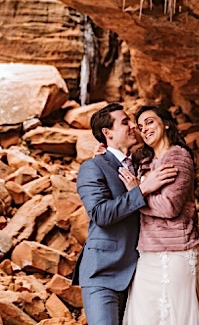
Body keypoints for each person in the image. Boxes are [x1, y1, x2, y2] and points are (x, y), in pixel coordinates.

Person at [76, 103, 178, 325]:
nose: (134, 126)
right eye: (125, 122)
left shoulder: (143, 163)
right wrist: (141, 190)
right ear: (107, 133)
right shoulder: (92, 167)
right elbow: (100, 214)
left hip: (143, 274)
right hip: (104, 272)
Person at [123, 105, 199, 325]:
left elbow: (169, 208)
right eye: (140, 126)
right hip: (148, 252)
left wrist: (137, 193)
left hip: (176, 252)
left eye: (150, 122)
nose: (144, 129)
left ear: (166, 123)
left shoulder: (177, 157)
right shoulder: (145, 162)